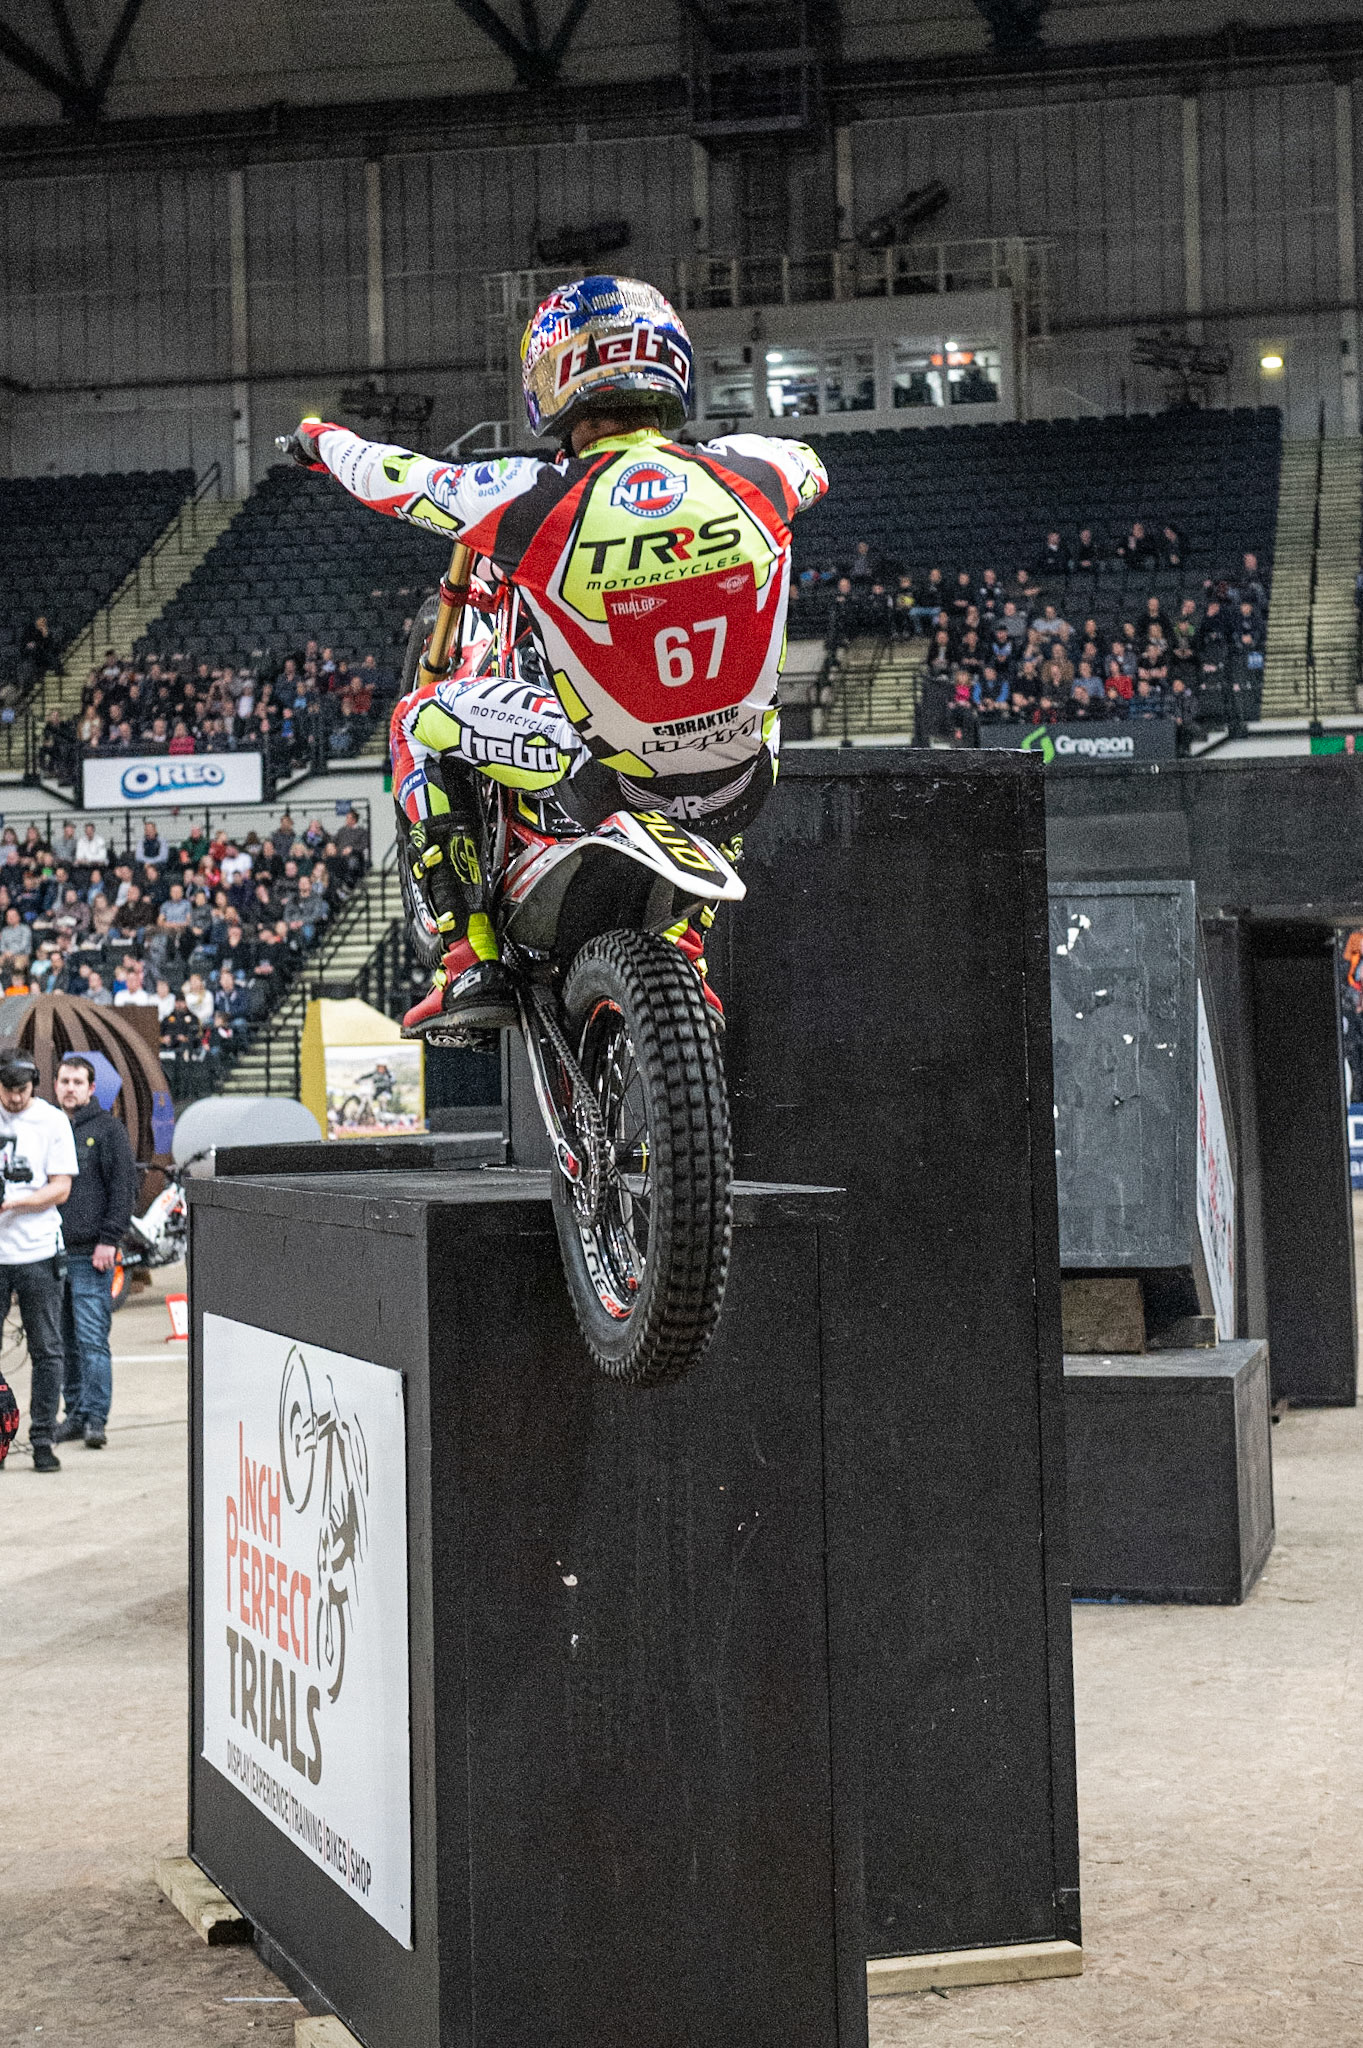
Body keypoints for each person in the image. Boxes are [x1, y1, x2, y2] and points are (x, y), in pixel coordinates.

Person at [285, 271, 829, 1034]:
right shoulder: (763, 469)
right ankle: (687, 942)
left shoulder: (529, 500)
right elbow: (812, 466)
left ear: (557, 381)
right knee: (746, 716)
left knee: (414, 723)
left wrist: (320, 440)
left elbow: (391, 478)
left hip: (601, 778)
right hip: (741, 780)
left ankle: (468, 956)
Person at [53, 1056, 137, 1451]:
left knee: (91, 1340)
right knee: (63, 1343)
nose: (70, 1088)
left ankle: (95, 1419)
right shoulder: (50, 1128)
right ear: (55, 1086)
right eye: (64, 1081)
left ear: (90, 1088)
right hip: (52, 1254)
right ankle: (75, 1414)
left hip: (92, 1254)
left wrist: (109, 1239)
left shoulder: (108, 1130)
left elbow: (123, 1189)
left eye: (77, 1082)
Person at [0, 1052, 77, 1472]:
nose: (15, 1099)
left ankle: (43, 1437)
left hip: (37, 1250)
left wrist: (14, 1203)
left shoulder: (51, 1121)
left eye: (22, 1090)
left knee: (46, 1349)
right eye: (8, 1090)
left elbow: (61, 1187)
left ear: (34, 1084)